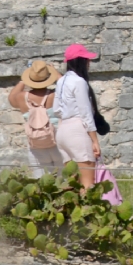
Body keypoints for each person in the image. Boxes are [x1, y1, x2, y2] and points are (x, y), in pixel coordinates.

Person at [54, 43, 102, 188]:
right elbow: (86, 113)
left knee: (73, 185)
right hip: (77, 130)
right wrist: (95, 140)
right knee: (87, 184)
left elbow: (56, 109)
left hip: (62, 130)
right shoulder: (79, 81)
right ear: (82, 61)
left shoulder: (61, 81)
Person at [7, 60, 64, 174]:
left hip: (36, 144)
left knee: (41, 181)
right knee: (64, 179)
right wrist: (56, 73)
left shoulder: (21, 97)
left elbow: (11, 98)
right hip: (57, 141)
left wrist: (24, 80)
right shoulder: (55, 95)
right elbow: (67, 86)